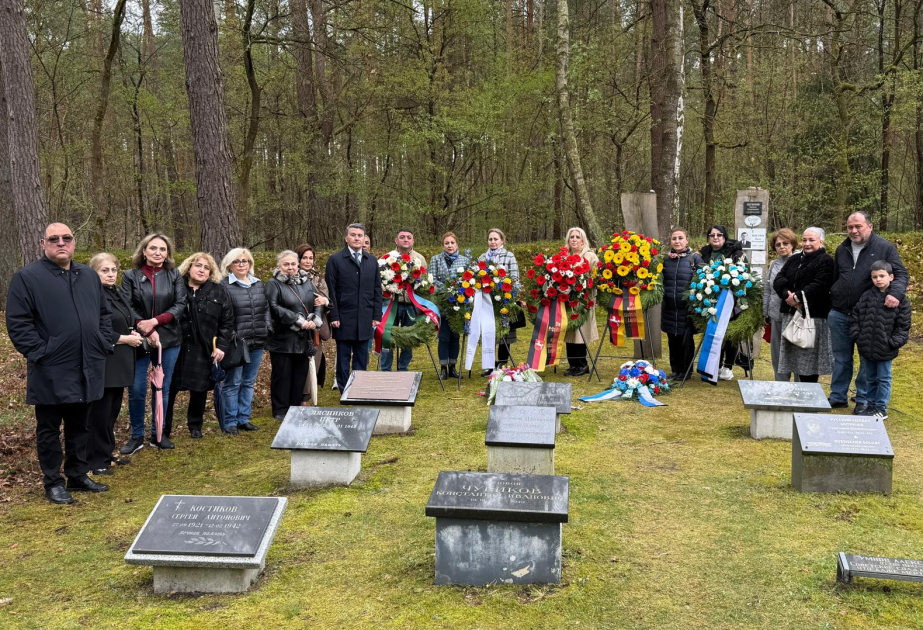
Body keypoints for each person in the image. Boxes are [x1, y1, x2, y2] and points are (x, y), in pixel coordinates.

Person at [6, 223, 112, 504]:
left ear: (74, 243)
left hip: (87, 363)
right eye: (54, 239)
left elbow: (103, 313)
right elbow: (18, 323)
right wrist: (42, 352)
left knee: (81, 426)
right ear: (44, 243)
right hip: (51, 368)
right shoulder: (28, 278)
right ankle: (53, 482)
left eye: (67, 238)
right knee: (49, 429)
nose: (61, 243)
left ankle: (77, 474)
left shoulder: (88, 275)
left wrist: (101, 341)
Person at [828, 211, 909, 413]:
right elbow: (837, 277)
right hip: (839, 313)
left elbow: (900, 273)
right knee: (841, 358)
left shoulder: (884, 247)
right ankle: (838, 396)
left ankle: (863, 398)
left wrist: (896, 295)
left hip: (868, 315)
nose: (853, 230)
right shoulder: (842, 248)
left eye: (858, 226)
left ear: (870, 227)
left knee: (867, 358)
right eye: (850, 227)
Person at [120, 233, 187, 453]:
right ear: (144, 250)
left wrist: (155, 322)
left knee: (162, 388)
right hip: (138, 338)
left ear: (168, 253)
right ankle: (136, 435)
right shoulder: (130, 275)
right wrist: (143, 325)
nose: (158, 252)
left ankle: (158, 434)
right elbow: (126, 305)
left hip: (169, 339)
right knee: (137, 388)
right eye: (153, 248)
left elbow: (180, 304)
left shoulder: (174, 275)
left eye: (163, 249)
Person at [165, 253, 234, 439]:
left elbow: (227, 323)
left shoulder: (218, 291)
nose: (202, 270)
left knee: (199, 390)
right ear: (189, 267)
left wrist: (221, 347)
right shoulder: (175, 287)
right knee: (169, 388)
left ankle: (195, 426)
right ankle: (164, 427)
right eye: (198, 265)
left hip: (203, 348)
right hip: (176, 346)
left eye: (206, 267)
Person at [86, 253, 143, 475]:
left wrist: (131, 332)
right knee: (99, 414)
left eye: (113, 270)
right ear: (94, 272)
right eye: (104, 270)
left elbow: (123, 320)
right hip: (104, 362)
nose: (110, 274)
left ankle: (106, 454)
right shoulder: (92, 294)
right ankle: (95, 460)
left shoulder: (115, 292)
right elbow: (95, 329)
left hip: (120, 363)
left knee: (111, 412)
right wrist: (124, 339)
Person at [266, 250, 325, 419]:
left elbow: (318, 301)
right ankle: (280, 410)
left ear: (298, 264)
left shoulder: (306, 282)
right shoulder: (273, 284)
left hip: (303, 337)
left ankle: (294, 407)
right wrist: (298, 320)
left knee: (299, 374)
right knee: (282, 375)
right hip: (282, 338)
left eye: (293, 264)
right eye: (286, 264)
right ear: (279, 266)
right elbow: (274, 307)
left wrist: (316, 318)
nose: (290, 267)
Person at [849, 261, 911, 420]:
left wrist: (894, 342)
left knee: (883, 378)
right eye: (874, 277)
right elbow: (855, 316)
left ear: (891, 277)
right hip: (866, 347)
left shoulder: (900, 300)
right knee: (869, 378)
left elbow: (903, 326)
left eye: (882, 276)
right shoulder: (867, 296)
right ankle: (869, 405)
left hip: (886, 348)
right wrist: (858, 335)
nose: (878, 279)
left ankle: (881, 408)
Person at [773, 227, 835, 383]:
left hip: (812, 317)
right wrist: (788, 294)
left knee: (809, 361)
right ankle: (794, 394)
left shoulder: (826, 261)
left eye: (811, 240)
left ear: (821, 241)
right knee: (792, 358)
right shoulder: (795, 259)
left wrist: (798, 297)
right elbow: (779, 279)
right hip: (791, 314)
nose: (807, 243)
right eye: (805, 240)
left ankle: (808, 395)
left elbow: (820, 284)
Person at [325, 223, 383, 390]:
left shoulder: (371, 260)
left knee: (362, 356)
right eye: (353, 235)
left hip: (365, 316)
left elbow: (377, 290)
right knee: (343, 357)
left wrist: (376, 315)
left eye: (360, 235)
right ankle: (344, 389)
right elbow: (331, 290)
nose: (357, 238)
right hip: (343, 317)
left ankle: (359, 388)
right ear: (346, 238)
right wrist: (334, 315)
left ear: (364, 238)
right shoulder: (335, 260)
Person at [220, 248, 270, 434]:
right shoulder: (224, 286)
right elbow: (223, 316)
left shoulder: (258, 284)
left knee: (248, 382)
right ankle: (230, 422)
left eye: (245, 261)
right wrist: (231, 335)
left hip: (257, 340)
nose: (241, 264)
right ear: (229, 265)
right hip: (236, 343)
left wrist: (266, 327)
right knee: (233, 382)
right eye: (237, 261)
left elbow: (266, 310)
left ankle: (244, 419)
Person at [699, 225, 746, 380]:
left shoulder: (736, 253)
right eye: (712, 235)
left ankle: (728, 366)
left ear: (725, 237)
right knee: (714, 331)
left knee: (730, 333)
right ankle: (715, 364)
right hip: (710, 298)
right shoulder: (704, 253)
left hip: (731, 299)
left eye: (719, 235)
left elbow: (743, 274)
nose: (715, 237)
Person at [380, 228, 428, 372]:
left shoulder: (420, 259)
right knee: (387, 337)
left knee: (408, 338)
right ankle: (386, 370)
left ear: (413, 240)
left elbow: (425, 283)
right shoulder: (387, 258)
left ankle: (403, 368)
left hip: (410, 305)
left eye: (408, 237)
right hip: (390, 305)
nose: (405, 240)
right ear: (396, 240)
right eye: (402, 237)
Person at [661, 228, 705, 380]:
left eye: (680, 238)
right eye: (674, 238)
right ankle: (675, 369)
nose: (677, 241)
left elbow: (703, 281)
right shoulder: (665, 260)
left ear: (687, 240)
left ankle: (686, 370)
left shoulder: (695, 259)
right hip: (669, 307)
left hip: (687, 308)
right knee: (672, 339)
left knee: (685, 340)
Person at [478, 228, 520, 376]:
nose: (493, 242)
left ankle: (502, 363)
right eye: (490, 239)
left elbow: (515, 278)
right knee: (489, 333)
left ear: (502, 240)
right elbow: (478, 278)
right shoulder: (482, 257)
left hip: (504, 299)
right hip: (487, 301)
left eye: (496, 239)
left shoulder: (509, 256)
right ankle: (489, 365)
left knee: (504, 332)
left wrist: (505, 291)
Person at [430, 232, 472, 378]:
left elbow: (469, 280)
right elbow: (432, 279)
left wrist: (457, 293)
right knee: (444, 336)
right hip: (442, 303)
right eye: (447, 243)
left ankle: (453, 367)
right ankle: (443, 368)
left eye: (452, 243)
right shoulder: (436, 259)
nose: (450, 246)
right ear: (443, 245)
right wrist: (447, 290)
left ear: (457, 244)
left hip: (459, 304)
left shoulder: (465, 260)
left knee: (455, 336)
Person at [295, 243, 331, 401]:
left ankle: (307, 396)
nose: (308, 261)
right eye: (305, 258)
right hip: (296, 325)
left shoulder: (319, 279)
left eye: (311, 258)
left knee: (314, 359)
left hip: (315, 326)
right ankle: (295, 394)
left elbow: (327, 300)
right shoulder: (290, 276)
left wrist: (325, 301)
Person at [763, 229, 800, 382]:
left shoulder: (800, 261)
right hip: (776, 315)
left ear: (792, 244)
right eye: (778, 244)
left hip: (795, 315)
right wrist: (765, 311)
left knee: (798, 352)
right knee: (778, 353)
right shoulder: (774, 264)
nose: (782, 247)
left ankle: (800, 386)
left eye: (785, 243)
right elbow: (767, 289)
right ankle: (781, 384)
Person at [562, 227, 599, 377]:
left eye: (577, 237)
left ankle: (582, 365)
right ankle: (572, 364)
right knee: (569, 332)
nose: (574, 240)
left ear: (583, 240)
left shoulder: (590, 256)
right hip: (566, 300)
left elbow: (596, 277)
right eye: (572, 237)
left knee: (580, 332)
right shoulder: (564, 256)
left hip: (582, 301)